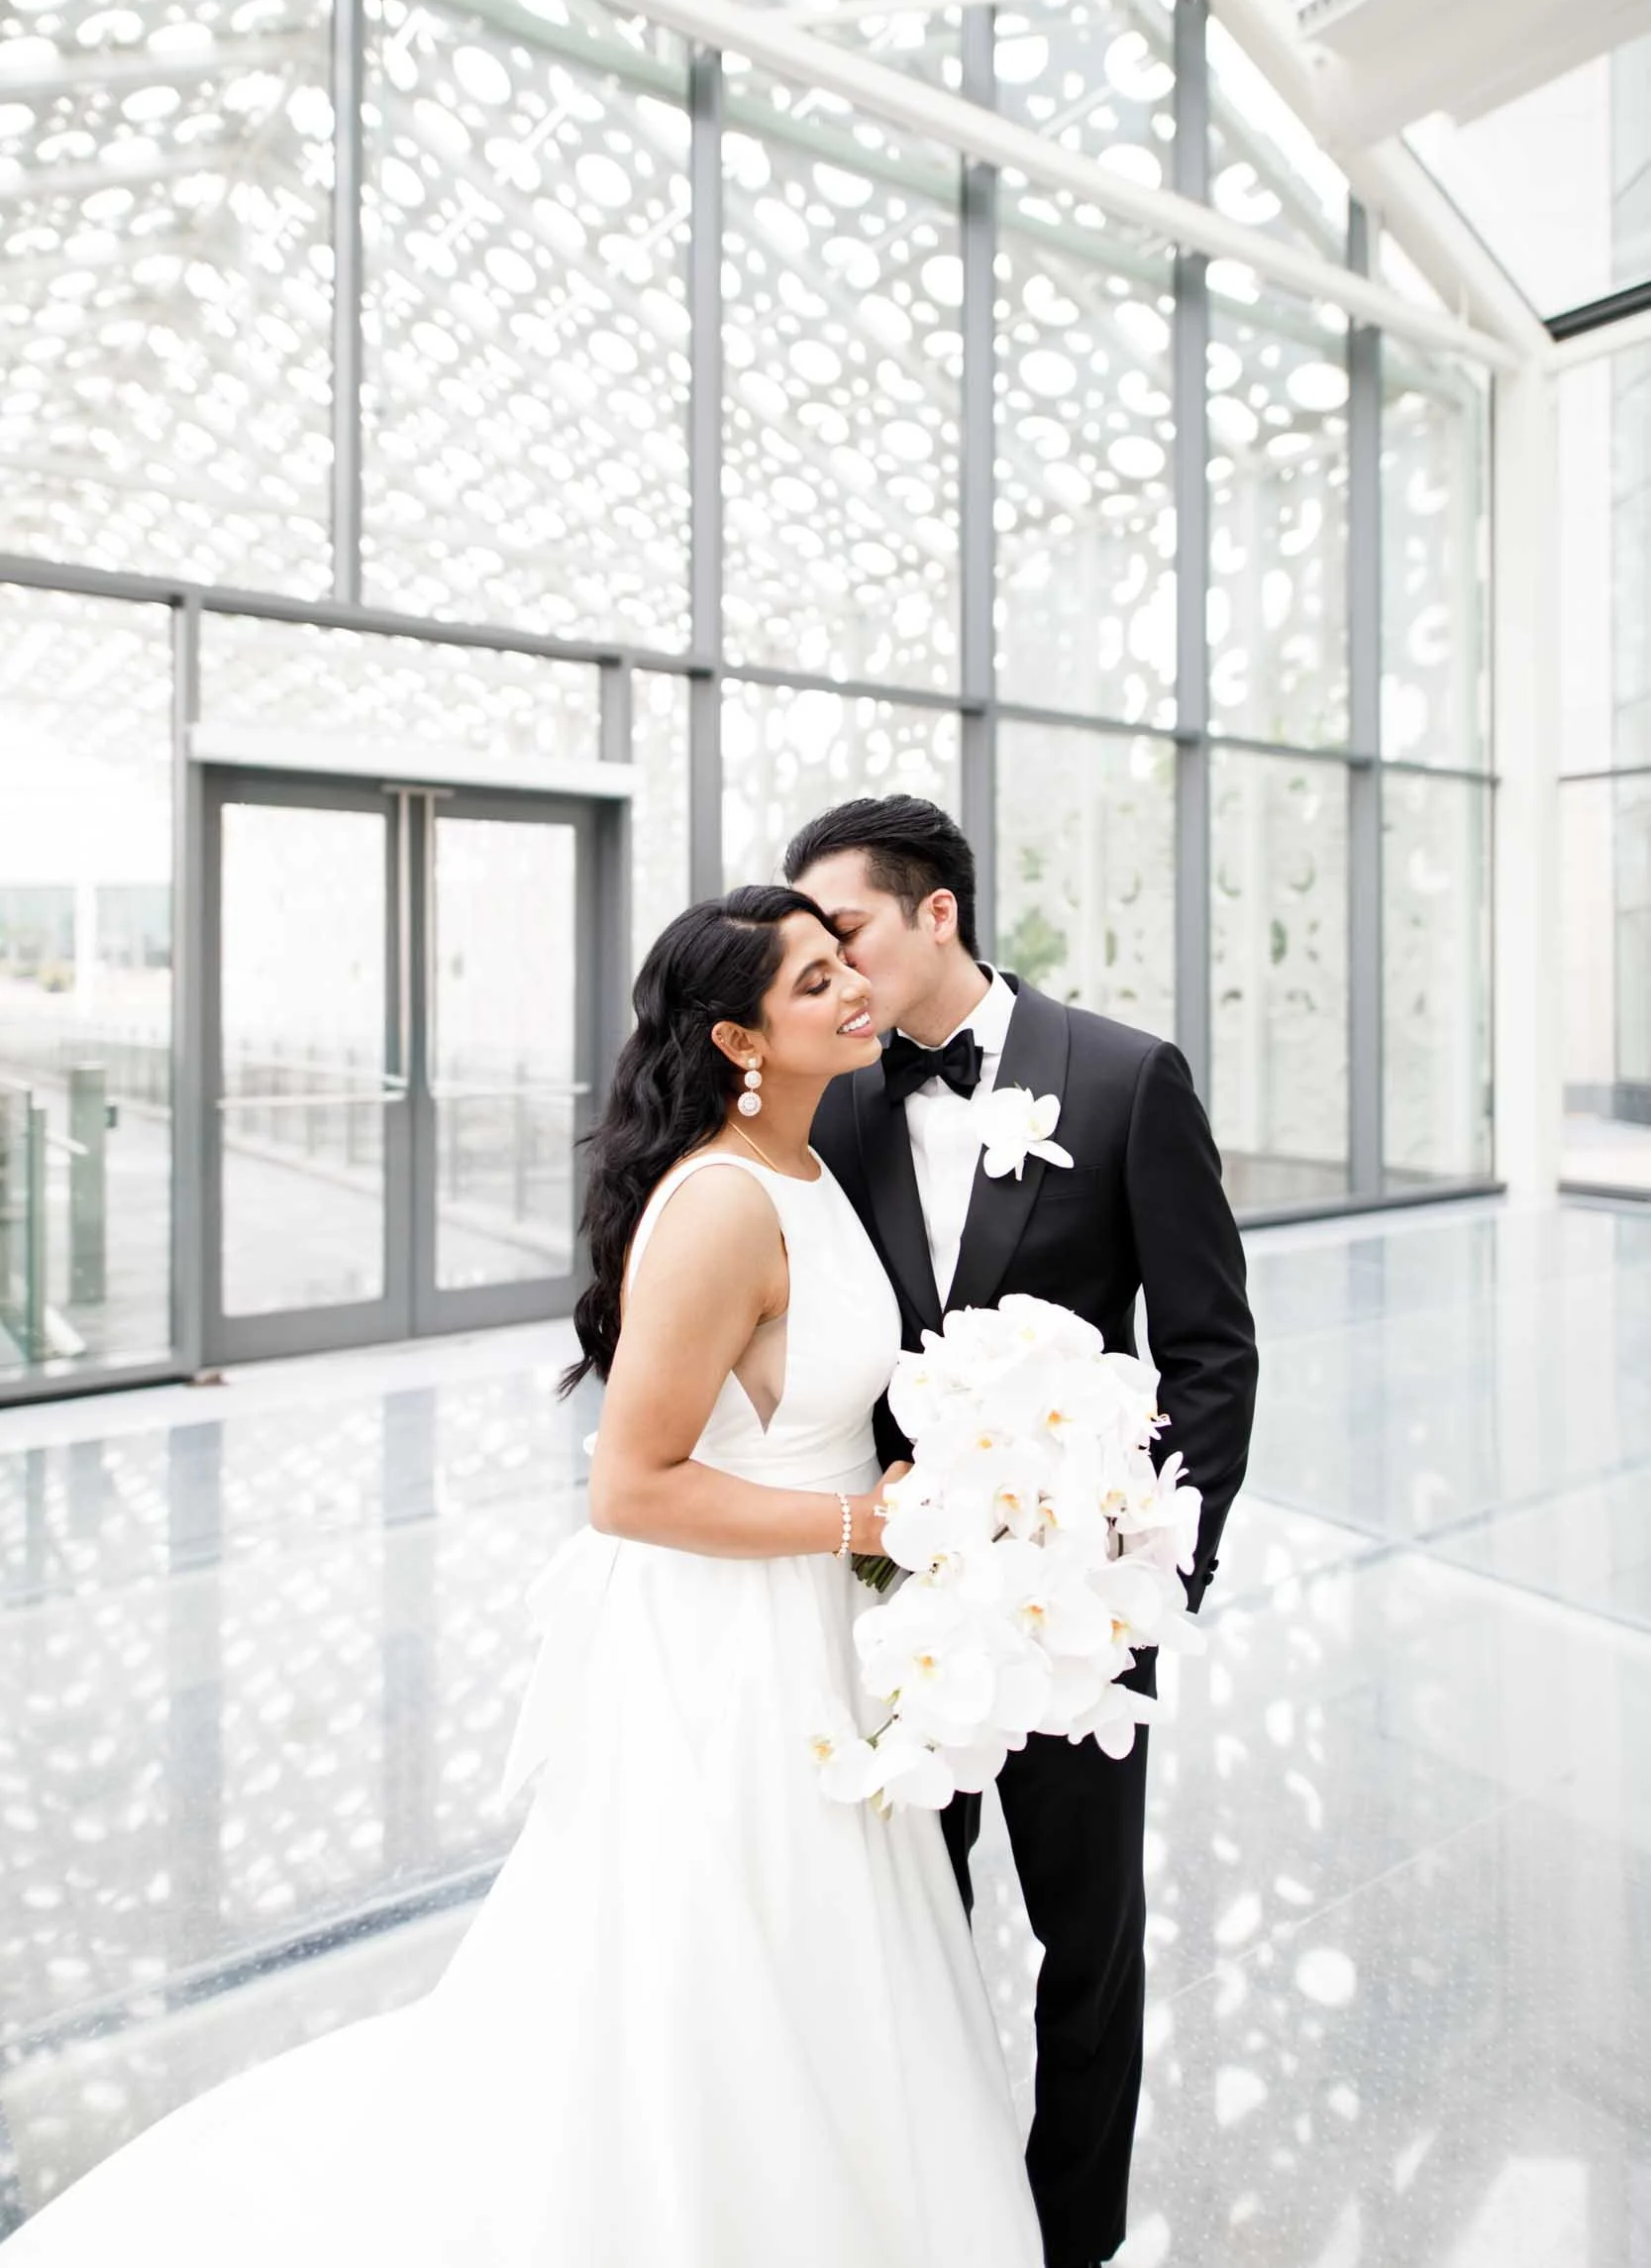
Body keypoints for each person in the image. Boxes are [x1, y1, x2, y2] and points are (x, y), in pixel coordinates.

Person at [6, 885, 1043, 2268]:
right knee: (719, 1969)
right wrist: (868, 1527)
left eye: (840, 961)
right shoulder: (723, 1207)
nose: (852, 988)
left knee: (824, 1964)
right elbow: (629, 1486)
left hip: (812, 1639)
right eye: (811, 983)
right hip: (728, 1655)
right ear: (739, 1037)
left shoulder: (808, 1167)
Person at [788, 798, 1259, 2268]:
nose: (837, 974)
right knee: (903, 1935)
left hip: (1074, 1614)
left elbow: (1207, 1352)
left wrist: (1141, 1577)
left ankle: (1069, 2240)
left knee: (1087, 1949)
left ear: (935, 914)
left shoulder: (1122, 1079)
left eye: (846, 932)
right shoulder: (837, 1101)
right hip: (882, 1602)